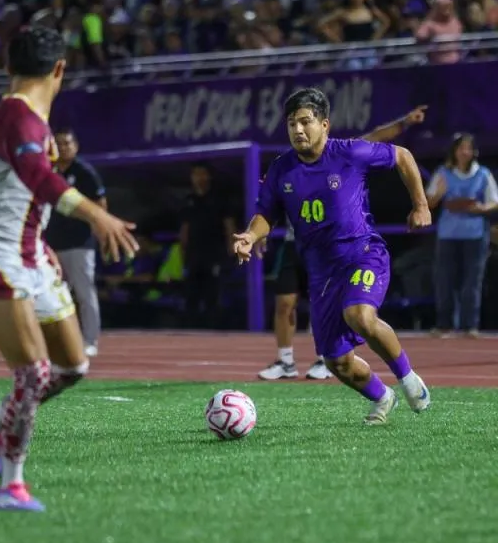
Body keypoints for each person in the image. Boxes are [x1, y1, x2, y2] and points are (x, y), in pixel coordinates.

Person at [0, 25, 138, 512]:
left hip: (32, 254)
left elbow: (11, 194)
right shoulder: (16, 116)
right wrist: (97, 215)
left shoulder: (29, 121)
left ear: (7, 65)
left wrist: (40, 240)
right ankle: (11, 485)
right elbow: (37, 179)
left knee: (72, 366)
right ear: (60, 69)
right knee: (34, 372)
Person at [234, 88, 431, 426]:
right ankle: (383, 397)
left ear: (324, 125)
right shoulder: (281, 169)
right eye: (292, 123)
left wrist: (421, 205)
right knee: (335, 360)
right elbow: (266, 213)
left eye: (305, 122)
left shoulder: (350, 152)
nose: (298, 130)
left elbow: (402, 156)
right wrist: (251, 236)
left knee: (359, 314)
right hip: (321, 273)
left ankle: (410, 379)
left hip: (363, 254)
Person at [426, 133, 498, 337]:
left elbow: (494, 201)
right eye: (461, 148)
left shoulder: (482, 174)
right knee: (444, 280)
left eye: (468, 148)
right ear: (454, 151)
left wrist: (481, 208)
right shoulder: (443, 173)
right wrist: (439, 193)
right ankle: (444, 324)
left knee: (472, 281)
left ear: (474, 152)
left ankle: (469, 325)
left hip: (475, 235)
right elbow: (429, 202)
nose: (465, 152)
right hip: (448, 234)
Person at [45, 129, 106, 357]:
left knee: (84, 292)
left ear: (75, 146)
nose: (63, 148)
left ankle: (90, 340)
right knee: (55, 295)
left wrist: (101, 232)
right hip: (52, 243)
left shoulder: (84, 172)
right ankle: (61, 341)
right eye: (58, 144)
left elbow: (100, 206)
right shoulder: (48, 171)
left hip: (80, 243)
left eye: (67, 143)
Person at [180, 162, 235, 328]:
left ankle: (214, 330)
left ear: (209, 176)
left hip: (214, 253)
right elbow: (184, 229)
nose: (199, 178)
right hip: (193, 255)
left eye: (202, 173)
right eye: (195, 174)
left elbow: (229, 225)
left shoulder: (220, 199)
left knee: (213, 293)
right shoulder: (189, 200)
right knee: (191, 294)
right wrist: (183, 252)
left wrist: (232, 248)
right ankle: (190, 329)